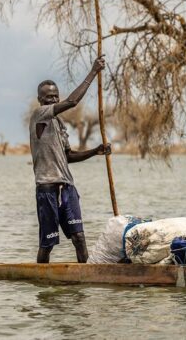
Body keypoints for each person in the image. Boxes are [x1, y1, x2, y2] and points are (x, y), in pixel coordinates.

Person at [29, 55, 110, 263]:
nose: (53, 100)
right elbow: (73, 101)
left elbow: (68, 157)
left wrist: (95, 151)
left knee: (79, 237)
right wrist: (93, 72)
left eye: (56, 96)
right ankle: (43, 284)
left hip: (67, 188)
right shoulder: (40, 115)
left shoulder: (58, 125)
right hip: (47, 189)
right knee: (47, 244)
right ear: (40, 100)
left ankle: (85, 280)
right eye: (48, 97)